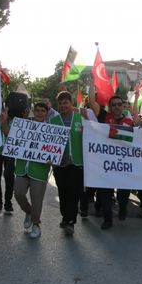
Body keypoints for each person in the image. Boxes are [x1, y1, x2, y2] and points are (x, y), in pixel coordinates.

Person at [84, 86, 139, 229]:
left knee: (123, 194)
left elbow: (139, 138)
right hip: (105, 165)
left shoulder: (129, 122)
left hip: (123, 166)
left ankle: (122, 208)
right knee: (105, 194)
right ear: (109, 107)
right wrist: (91, 83)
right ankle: (107, 219)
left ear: (123, 106)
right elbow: (91, 101)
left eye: (119, 104)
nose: (116, 107)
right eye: (113, 105)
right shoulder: (104, 117)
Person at [11, 102, 52, 239]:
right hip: (23, 168)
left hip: (39, 170)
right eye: (38, 110)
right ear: (34, 111)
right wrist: (4, 123)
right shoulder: (24, 125)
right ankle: (28, 212)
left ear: (46, 113)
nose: (40, 113)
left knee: (37, 199)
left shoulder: (51, 130)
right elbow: (10, 136)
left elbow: (56, 150)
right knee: (18, 193)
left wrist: (52, 159)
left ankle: (36, 224)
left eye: (43, 111)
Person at [50, 91, 84, 235]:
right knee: (63, 191)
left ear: (71, 103)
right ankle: (65, 216)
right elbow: (48, 141)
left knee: (74, 192)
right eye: (61, 103)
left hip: (77, 162)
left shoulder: (81, 118)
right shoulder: (53, 121)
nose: (63, 106)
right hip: (60, 163)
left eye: (66, 103)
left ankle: (71, 221)